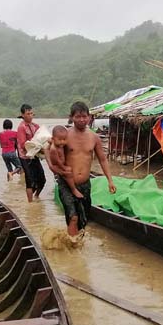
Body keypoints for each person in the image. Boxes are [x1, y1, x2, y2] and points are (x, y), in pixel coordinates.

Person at [60, 101, 116, 236]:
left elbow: (103, 159)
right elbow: (53, 154)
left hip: (85, 184)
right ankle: (73, 252)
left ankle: (78, 245)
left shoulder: (94, 137)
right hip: (67, 184)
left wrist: (110, 180)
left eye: (84, 116)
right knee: (73, 217)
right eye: (78, 117)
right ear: (71, 117)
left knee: (84, 219)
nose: (81, 120)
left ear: (89, 117)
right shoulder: (64, 136)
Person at [17, 104, 46, 202]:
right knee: (29, 179)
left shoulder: (36, 126)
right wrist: (37, 148)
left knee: (42, 179)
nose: (30, 115)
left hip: (35, 155)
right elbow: (22, 144)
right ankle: (30, 203)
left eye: (31, 113)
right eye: (28, 114)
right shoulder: (21, 127)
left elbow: (42, 139)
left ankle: (36, 196)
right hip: (25, 156)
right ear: (23, 115)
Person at [46, 125, 83, 199]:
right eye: (59, 140)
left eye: (64, 139)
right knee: (68, 174)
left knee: (68, 172)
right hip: (57, 166)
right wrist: (63, 167)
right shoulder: (53, 149)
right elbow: (57, 161)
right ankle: (73, 189)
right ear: (53, 139)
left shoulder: (59, 145)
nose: (62, 142)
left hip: (60, 164)